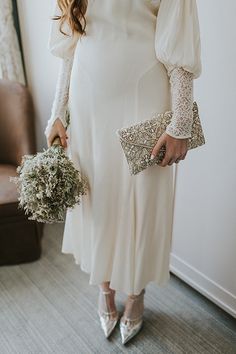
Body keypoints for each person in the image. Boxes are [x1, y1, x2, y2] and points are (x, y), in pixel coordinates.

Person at [44, 0, 201, 345]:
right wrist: (57, 111)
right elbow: (71, 42)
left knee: (142, 201)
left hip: (144, 93)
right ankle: (104, 287)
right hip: (87, 99)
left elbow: (179, 44)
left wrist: (181, 124)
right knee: (96, 196)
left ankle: (135, 293)